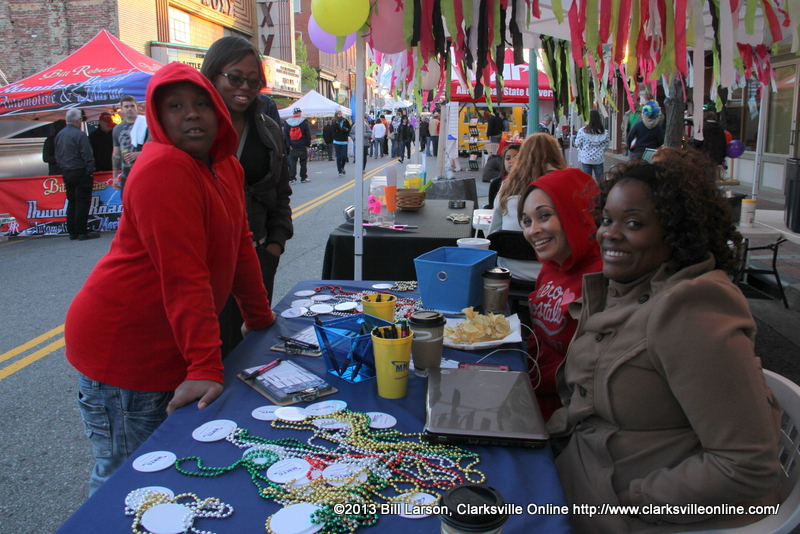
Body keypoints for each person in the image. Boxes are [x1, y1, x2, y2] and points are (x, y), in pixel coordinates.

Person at [65, 62, 276, 496]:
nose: (191, 113)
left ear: (218, 111)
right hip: (126, 351)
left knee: (169, 475)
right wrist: (205, 365)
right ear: (157, 119)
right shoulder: (162, 168)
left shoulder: (226, 167)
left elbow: (240, 247)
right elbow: (185, 276)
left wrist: (259, 318)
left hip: (169, 345)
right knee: (126, 482)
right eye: (174, 106)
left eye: (201, 103)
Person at [548, 158, 782, 533]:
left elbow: (747, 467)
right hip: (575, 469)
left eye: (634, 223)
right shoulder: (625, 287)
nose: (610, 234)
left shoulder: (691, 310)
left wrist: (628, 503)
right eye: (606, 220)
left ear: (675, 233)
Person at [201, 35, 293, 356]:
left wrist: (275, 244)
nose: (245, 88)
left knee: (251, 348)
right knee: (210, 350)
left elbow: (281, 191)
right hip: (205, 265)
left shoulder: (268, 129)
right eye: (235, 78)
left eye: (254, 81)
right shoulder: (193, 128)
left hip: (257, 256)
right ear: (212, 75)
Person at [517, 168, 602, 420]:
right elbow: (540, 337)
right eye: (527, 221)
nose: (533, 230)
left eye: (544, 216)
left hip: (565, 413)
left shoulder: (603, 278)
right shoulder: (551, 265)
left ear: (575, 213)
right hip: (530, 386)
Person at [488, 133, 565, 281]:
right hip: (555, 273)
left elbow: (494, 233)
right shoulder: (565, 185)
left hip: (509, 270)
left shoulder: (507, 187)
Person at [55, 109, 98, 241]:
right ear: (78, 120)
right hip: (80, 171)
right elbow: (87, 155)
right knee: (82, 202)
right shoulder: (80, 135)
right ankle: (81, 231)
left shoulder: (60, 135)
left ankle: (72, 231)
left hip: (67, 172)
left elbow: (57, 155)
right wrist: (90, 171)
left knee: (72, 201)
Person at [112, 95, 143, 197]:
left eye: (132, 106)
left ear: (137, 107)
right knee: (126, 202)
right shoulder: (117, 129)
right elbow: (116, 155)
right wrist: (115, 177)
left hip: (144, 172)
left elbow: (158, 148)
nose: (130, 109)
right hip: (126, 175)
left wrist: (140, 154)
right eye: (126, 106)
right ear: (121, 109)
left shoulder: (146, 125)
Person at [574, 109, 610, 180]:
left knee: (587, 179)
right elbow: (606, 145)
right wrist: (601, 151)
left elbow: (577, 143)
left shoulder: (582, 131)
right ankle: (600, 187)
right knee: (600, 178)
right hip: (598, 158)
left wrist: (582, 148)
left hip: (586, 158)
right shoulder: (604, 132)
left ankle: (589, 187)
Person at [484, 143, 520, 208]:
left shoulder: (528, 182)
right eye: (508, 158)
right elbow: (492, 207)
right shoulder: (496, 183)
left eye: (516, 158)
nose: (511, 161)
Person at [283, 107, 311, 183]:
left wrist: (289, 144)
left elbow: (286, 134)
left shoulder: (287, 122)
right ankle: (303, 177)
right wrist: (307, 144)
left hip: (292, 144)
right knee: (303, 162)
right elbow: (307, 134)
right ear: (299, 113)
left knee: (293, 162)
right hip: (302, 144)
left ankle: (292, 178)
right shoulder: (303, 121)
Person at [331, 110, 351, 176]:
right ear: (336, 114)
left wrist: (346, 130)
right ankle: (339, 171)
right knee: (339, 157)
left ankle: (342, 167)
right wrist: (337, 124)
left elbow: (349, 128)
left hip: (344, 141)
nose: (340, 115)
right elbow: (332, 130)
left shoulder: (345, 121)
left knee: (344, 156)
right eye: (338, 114)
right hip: (337, 141)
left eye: (341, 113)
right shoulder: (334, 121)